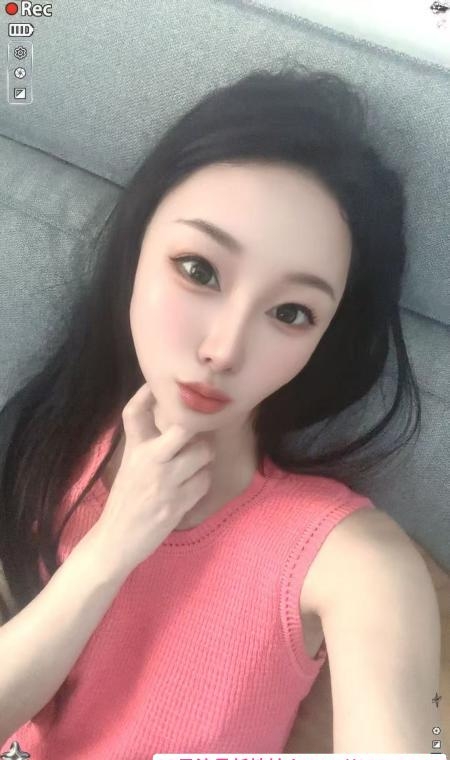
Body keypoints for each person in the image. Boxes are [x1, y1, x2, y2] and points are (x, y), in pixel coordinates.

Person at [0, 64, 438, 756]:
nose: (224, 349)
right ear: (137, 245)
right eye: (199, 270)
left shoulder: (351, 560)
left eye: (290, 313)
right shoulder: (50, 441)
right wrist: (113, 545)